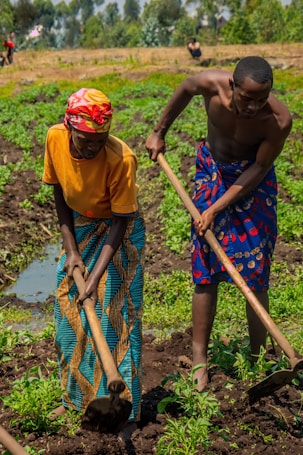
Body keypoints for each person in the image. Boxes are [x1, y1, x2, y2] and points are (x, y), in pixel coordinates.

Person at [145, 56, 292, 391]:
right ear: (231, 86)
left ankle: (256, 360)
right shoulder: (210, 85)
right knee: (206, 265)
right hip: (212, 169)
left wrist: (215, 208)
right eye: (246, 98)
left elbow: (258, 169)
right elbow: (184, 89)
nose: (254, 107)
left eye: (261, 99)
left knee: (255, 271)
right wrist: (159, 132)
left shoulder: (279, 121)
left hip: (252, 182)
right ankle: (199, 361)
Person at [43, 88, 145, 435]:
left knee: (117, 316)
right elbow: (58, 190)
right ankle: (75, 400)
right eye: (85, 140)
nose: (91, 148)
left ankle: (126, 414)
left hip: (119, 234)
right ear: (69, 126)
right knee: (68, 312)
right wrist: (71, 251)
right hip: (79, 226)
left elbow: (120, 222)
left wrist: (94, 279)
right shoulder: (55, 139)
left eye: (99, 141)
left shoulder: (121, 159)